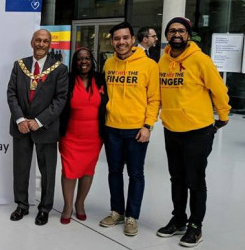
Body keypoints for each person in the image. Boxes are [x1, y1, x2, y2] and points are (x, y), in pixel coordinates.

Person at [155, 17, 231, 248]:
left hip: (198, 131)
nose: (176, 34)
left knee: (195, 181)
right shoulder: (162, 62)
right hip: (172, 130)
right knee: (176, 179)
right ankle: (179, 219)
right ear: (167, 36)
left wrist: (223, 116)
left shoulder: (201, 60)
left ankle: (195, 227)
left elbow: (219, 89)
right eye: (172, 31)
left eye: (181, 30)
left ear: (188, 34)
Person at [99, 21, 160, 236]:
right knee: (114, 172)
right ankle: (117, 211)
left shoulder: (149, 65)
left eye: (125, 38)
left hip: (136, 130)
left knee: (136, 174)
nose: (121, 42)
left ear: (133, 39)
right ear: (113, 42)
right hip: (111, 128)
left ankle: (132, 216)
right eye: (117, 39)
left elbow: (154, 99)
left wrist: (148, 126)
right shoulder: (108, 64)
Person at [7, 29, 68, 226]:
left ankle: (44, 209)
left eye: (45, 41)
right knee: (21, 169)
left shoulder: (59, 69)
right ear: (32, 42)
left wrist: (39, 121)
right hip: (21, 127)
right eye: (38, 40)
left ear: (50, 44)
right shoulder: (20, 65)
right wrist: (20, 120)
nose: (41, 44)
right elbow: (11, 93)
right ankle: (22, 205)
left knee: (48, 171)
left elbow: (60, 100)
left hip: (46, 128)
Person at [58, 48, 108, 224]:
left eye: (87, 58)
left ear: (92, 60)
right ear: (75, 61)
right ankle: (67, 206)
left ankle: (80, 204)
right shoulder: (67, 79)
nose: (83, 61)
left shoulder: (101, 79)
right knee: (69, 171)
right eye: (79, 59)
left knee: (87, 170)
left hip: (94, 136)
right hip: (70, 135)